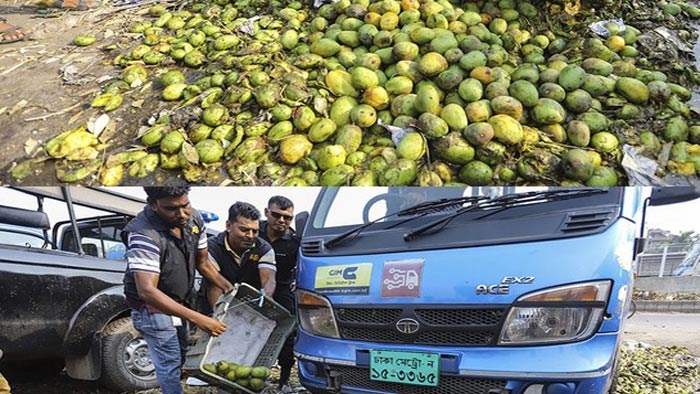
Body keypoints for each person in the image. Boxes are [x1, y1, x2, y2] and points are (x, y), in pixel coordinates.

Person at [123, 186, 234, 394]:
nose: (182, 214)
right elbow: (147, 290)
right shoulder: (144, 234)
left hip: (178, 302)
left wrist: (229, 288)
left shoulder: (195, 220)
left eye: (185, 205)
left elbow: (204, 263)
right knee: (169, 361)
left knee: (182, 354)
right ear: (153, 204)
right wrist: (198, 318)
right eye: (171, 209)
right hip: (152, 307)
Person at [203, 201, 277, 314]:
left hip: (249, 306)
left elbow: (269, 279)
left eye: (255, 231)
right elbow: (214, 284)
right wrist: (219, 316)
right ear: (228, 226)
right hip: (215, 300)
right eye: (244, 230)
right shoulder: (211, 247)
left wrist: (266, 297)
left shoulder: (264, 249)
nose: (250, 236)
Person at [259, 196, 301, 393]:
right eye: (276, 215)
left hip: (283, 289)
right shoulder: (253, 232)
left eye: (287, 217)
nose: (282, 221)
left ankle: (284, 381)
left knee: (286, 334)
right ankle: (256, 376)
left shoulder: (294, 242)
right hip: (253, 287)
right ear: (267, 212)